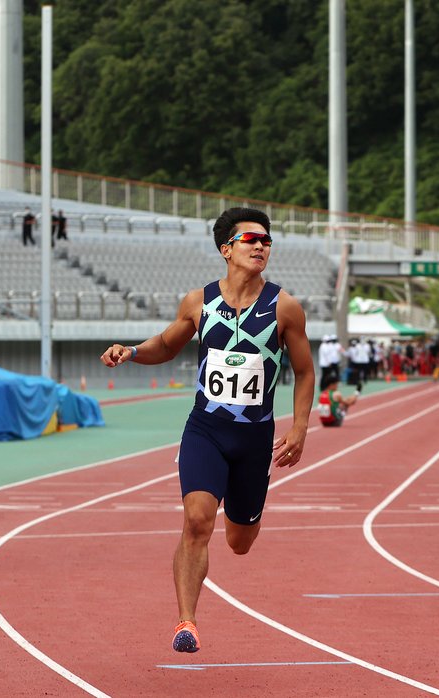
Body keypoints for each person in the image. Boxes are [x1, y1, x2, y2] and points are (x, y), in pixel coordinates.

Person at [99, 207, 314, 654]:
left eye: (266, 240)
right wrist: (131, 352)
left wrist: (299, 427)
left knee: (239, 542)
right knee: (197, 521)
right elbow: (166, 344)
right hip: (206, 429)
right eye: (250, 239)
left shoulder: (285, 307)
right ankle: (186, 622)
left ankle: (244, 517)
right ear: (226, 249)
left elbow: (305, 370)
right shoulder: (198, 303)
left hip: (254, 439)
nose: (261, 245)